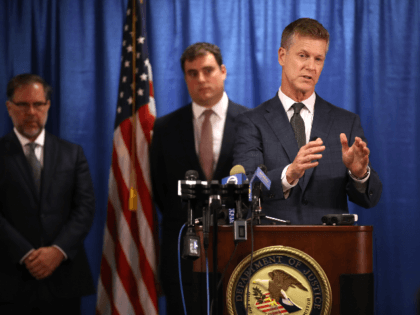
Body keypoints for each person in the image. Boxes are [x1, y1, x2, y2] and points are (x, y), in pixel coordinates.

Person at [233, 18, 382, 225]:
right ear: (282, 56)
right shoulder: (251, 122)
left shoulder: (345, 123)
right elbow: (247, 186)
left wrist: (359, 174)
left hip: (328, 249)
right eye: (303, 56)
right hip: (273, 250)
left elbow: (369, 199)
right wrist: (289, 173)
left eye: (318, 59)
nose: (311, 66)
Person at [150, 42, 248, 313]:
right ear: (185, 78)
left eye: (208, 70)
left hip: (236, 248)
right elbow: (161, 190)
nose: (201, 79)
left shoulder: (252, 122)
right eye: (193, 73)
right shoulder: (165, 127)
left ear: (223, 71)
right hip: (183, 251)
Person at [0, 74, 95, 314]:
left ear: (48, 106)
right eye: (22, 105)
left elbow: (85, 208)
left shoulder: (72, 153)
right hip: (10, 280)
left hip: (63, 278)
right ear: (9, 107)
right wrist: (25, 254)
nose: (31, 111)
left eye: (38, 104)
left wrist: (57, 251)